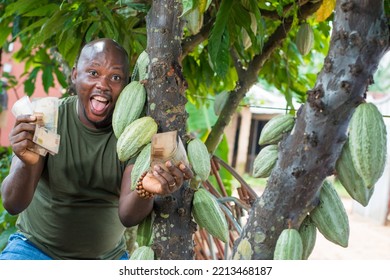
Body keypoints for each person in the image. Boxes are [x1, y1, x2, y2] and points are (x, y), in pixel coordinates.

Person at [0, 38, 193, 260]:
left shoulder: (135, 135)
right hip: (34, 250)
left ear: (127, 83)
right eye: (93, 73)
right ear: (75, 74)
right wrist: (25, 162)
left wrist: (146, 189)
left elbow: (128, 216)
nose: (103, 84)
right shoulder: (47, 115)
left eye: (115, 77)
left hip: (107, 259)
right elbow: (12, 204)